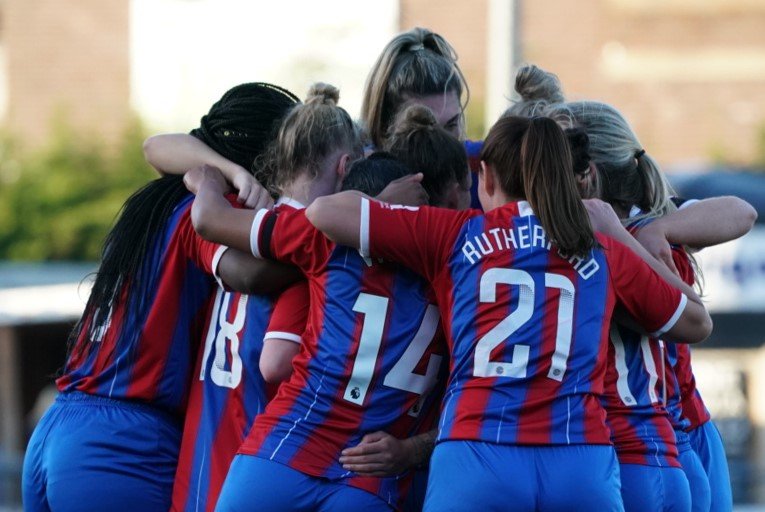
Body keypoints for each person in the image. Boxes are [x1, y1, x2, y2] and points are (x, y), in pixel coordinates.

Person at [305, 114, 713, 512]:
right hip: (578, 458)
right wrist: (623, 238)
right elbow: (697, 322)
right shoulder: (599, 247)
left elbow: (324, 212)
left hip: (478, 450)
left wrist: (386, 206)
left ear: (486, 176)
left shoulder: (454, 232)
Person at [185, 103, 470, 511]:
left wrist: (208, 178)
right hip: (371, 471)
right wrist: (412, 451)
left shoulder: (326, 239)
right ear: (456, 194)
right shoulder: (466, 268)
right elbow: (488, 400)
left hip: (288, 442)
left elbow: (209, 219)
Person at [508, 64, 755, 512]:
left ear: (585, 175)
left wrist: (652, 232)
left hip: (650, 441)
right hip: (671, 438)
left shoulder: (632, 235)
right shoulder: (644, 230)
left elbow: (741, 211)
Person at [149, 82, 311, 512]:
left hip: (202, 456)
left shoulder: (224, 209)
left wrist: (217, 177)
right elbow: (250, 275)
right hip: (246, 459)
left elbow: (158, 148)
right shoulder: (271, 230)